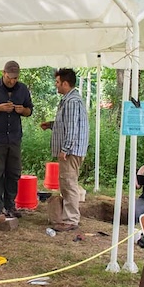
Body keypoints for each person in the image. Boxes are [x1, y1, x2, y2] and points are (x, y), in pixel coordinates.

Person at [0, 60, 33, 220]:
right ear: (3, 73)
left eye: (15, 78)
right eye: (10, 77)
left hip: (15, 137)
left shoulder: (22, 89)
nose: (12, 81)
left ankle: (10, 205)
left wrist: (22, 110)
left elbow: (29, 110)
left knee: (14, 172)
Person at [39, 68, 88, 232]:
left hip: (71, 151)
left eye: (58, 82)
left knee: (69, 183)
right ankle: (68, 217)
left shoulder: (72, 101)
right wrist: (52, 125)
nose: (56, 85)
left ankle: (71, 219)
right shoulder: (68, 100)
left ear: (66, 83)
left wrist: (65, 149)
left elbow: (72, 128)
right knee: (66, 183)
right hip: (71, 149)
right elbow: (67, 123)